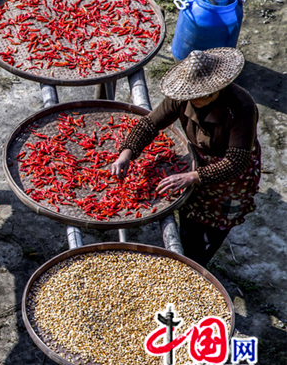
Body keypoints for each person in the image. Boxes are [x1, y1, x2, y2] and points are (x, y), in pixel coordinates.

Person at [111, 48, 261, 267]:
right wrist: (127, 153)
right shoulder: (182, 96)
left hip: (231, 176)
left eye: (197, 97)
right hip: (199, 160)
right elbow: (150, 124)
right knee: (190, 216)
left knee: (217, 224)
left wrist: (192, 177)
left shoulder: (241, 107)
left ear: (214, 90)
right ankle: (188, 249)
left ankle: (200, 263)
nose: (190, 100)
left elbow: (236, 161)